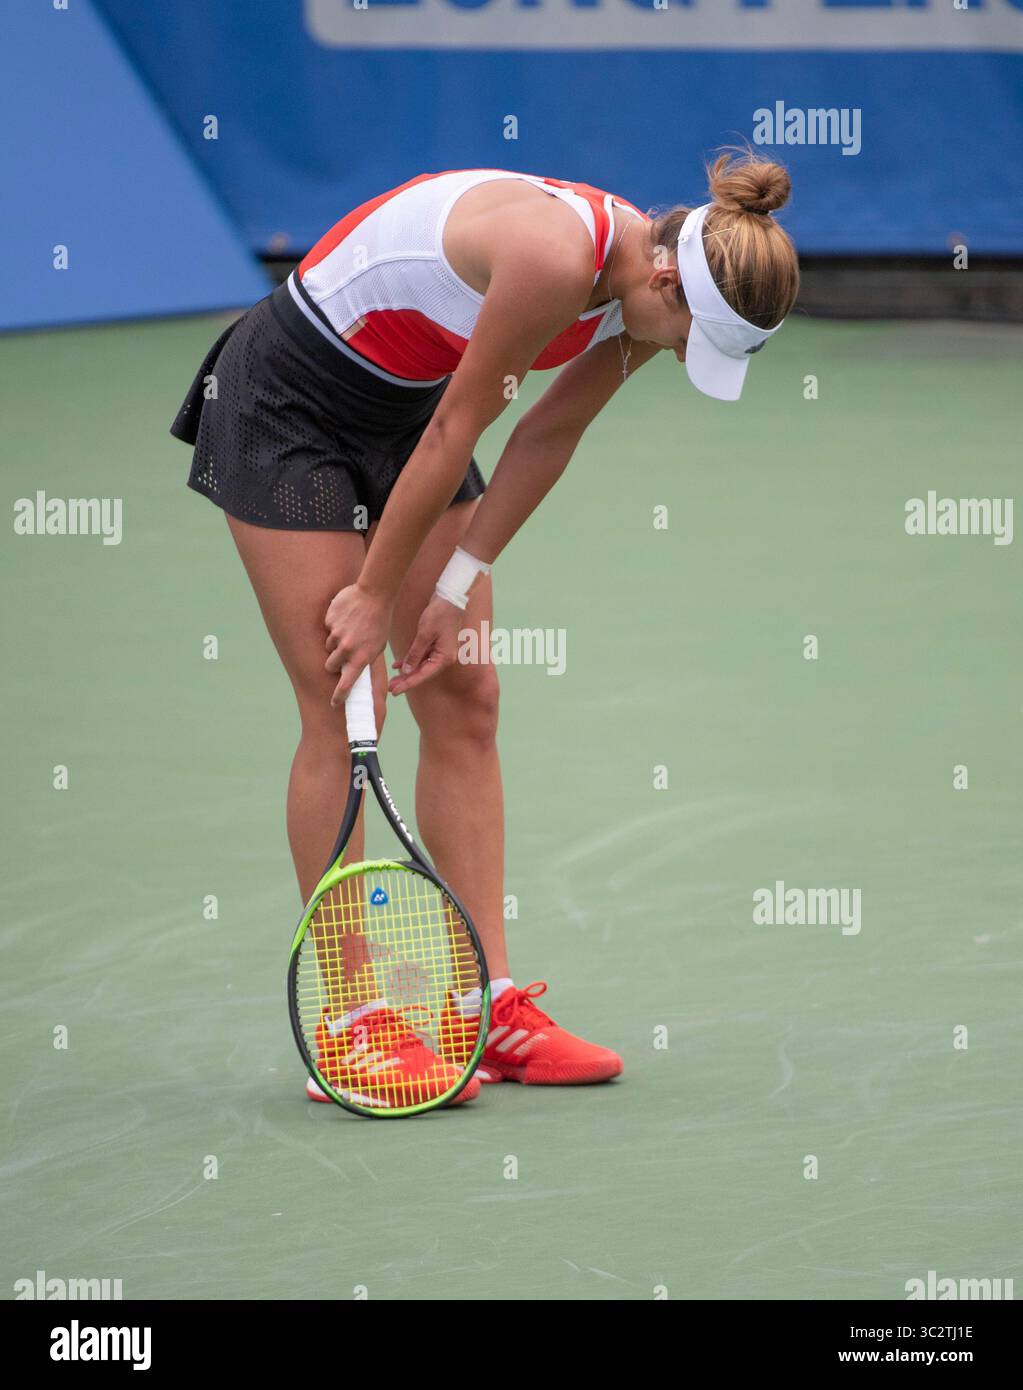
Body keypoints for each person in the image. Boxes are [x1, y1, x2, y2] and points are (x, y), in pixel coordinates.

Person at [171, 153, 799, 1102]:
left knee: (467, 691)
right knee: (345, 698)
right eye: (689, 337)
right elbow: (456, 434)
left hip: (409, 410)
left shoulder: (644, 281)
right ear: (668, 281)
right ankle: (350, 1020)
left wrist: (454, 584)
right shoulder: (554, 258)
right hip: (289, 401)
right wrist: (376, 593)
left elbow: (548, 431)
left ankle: (484, 1007)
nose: (681, 355)